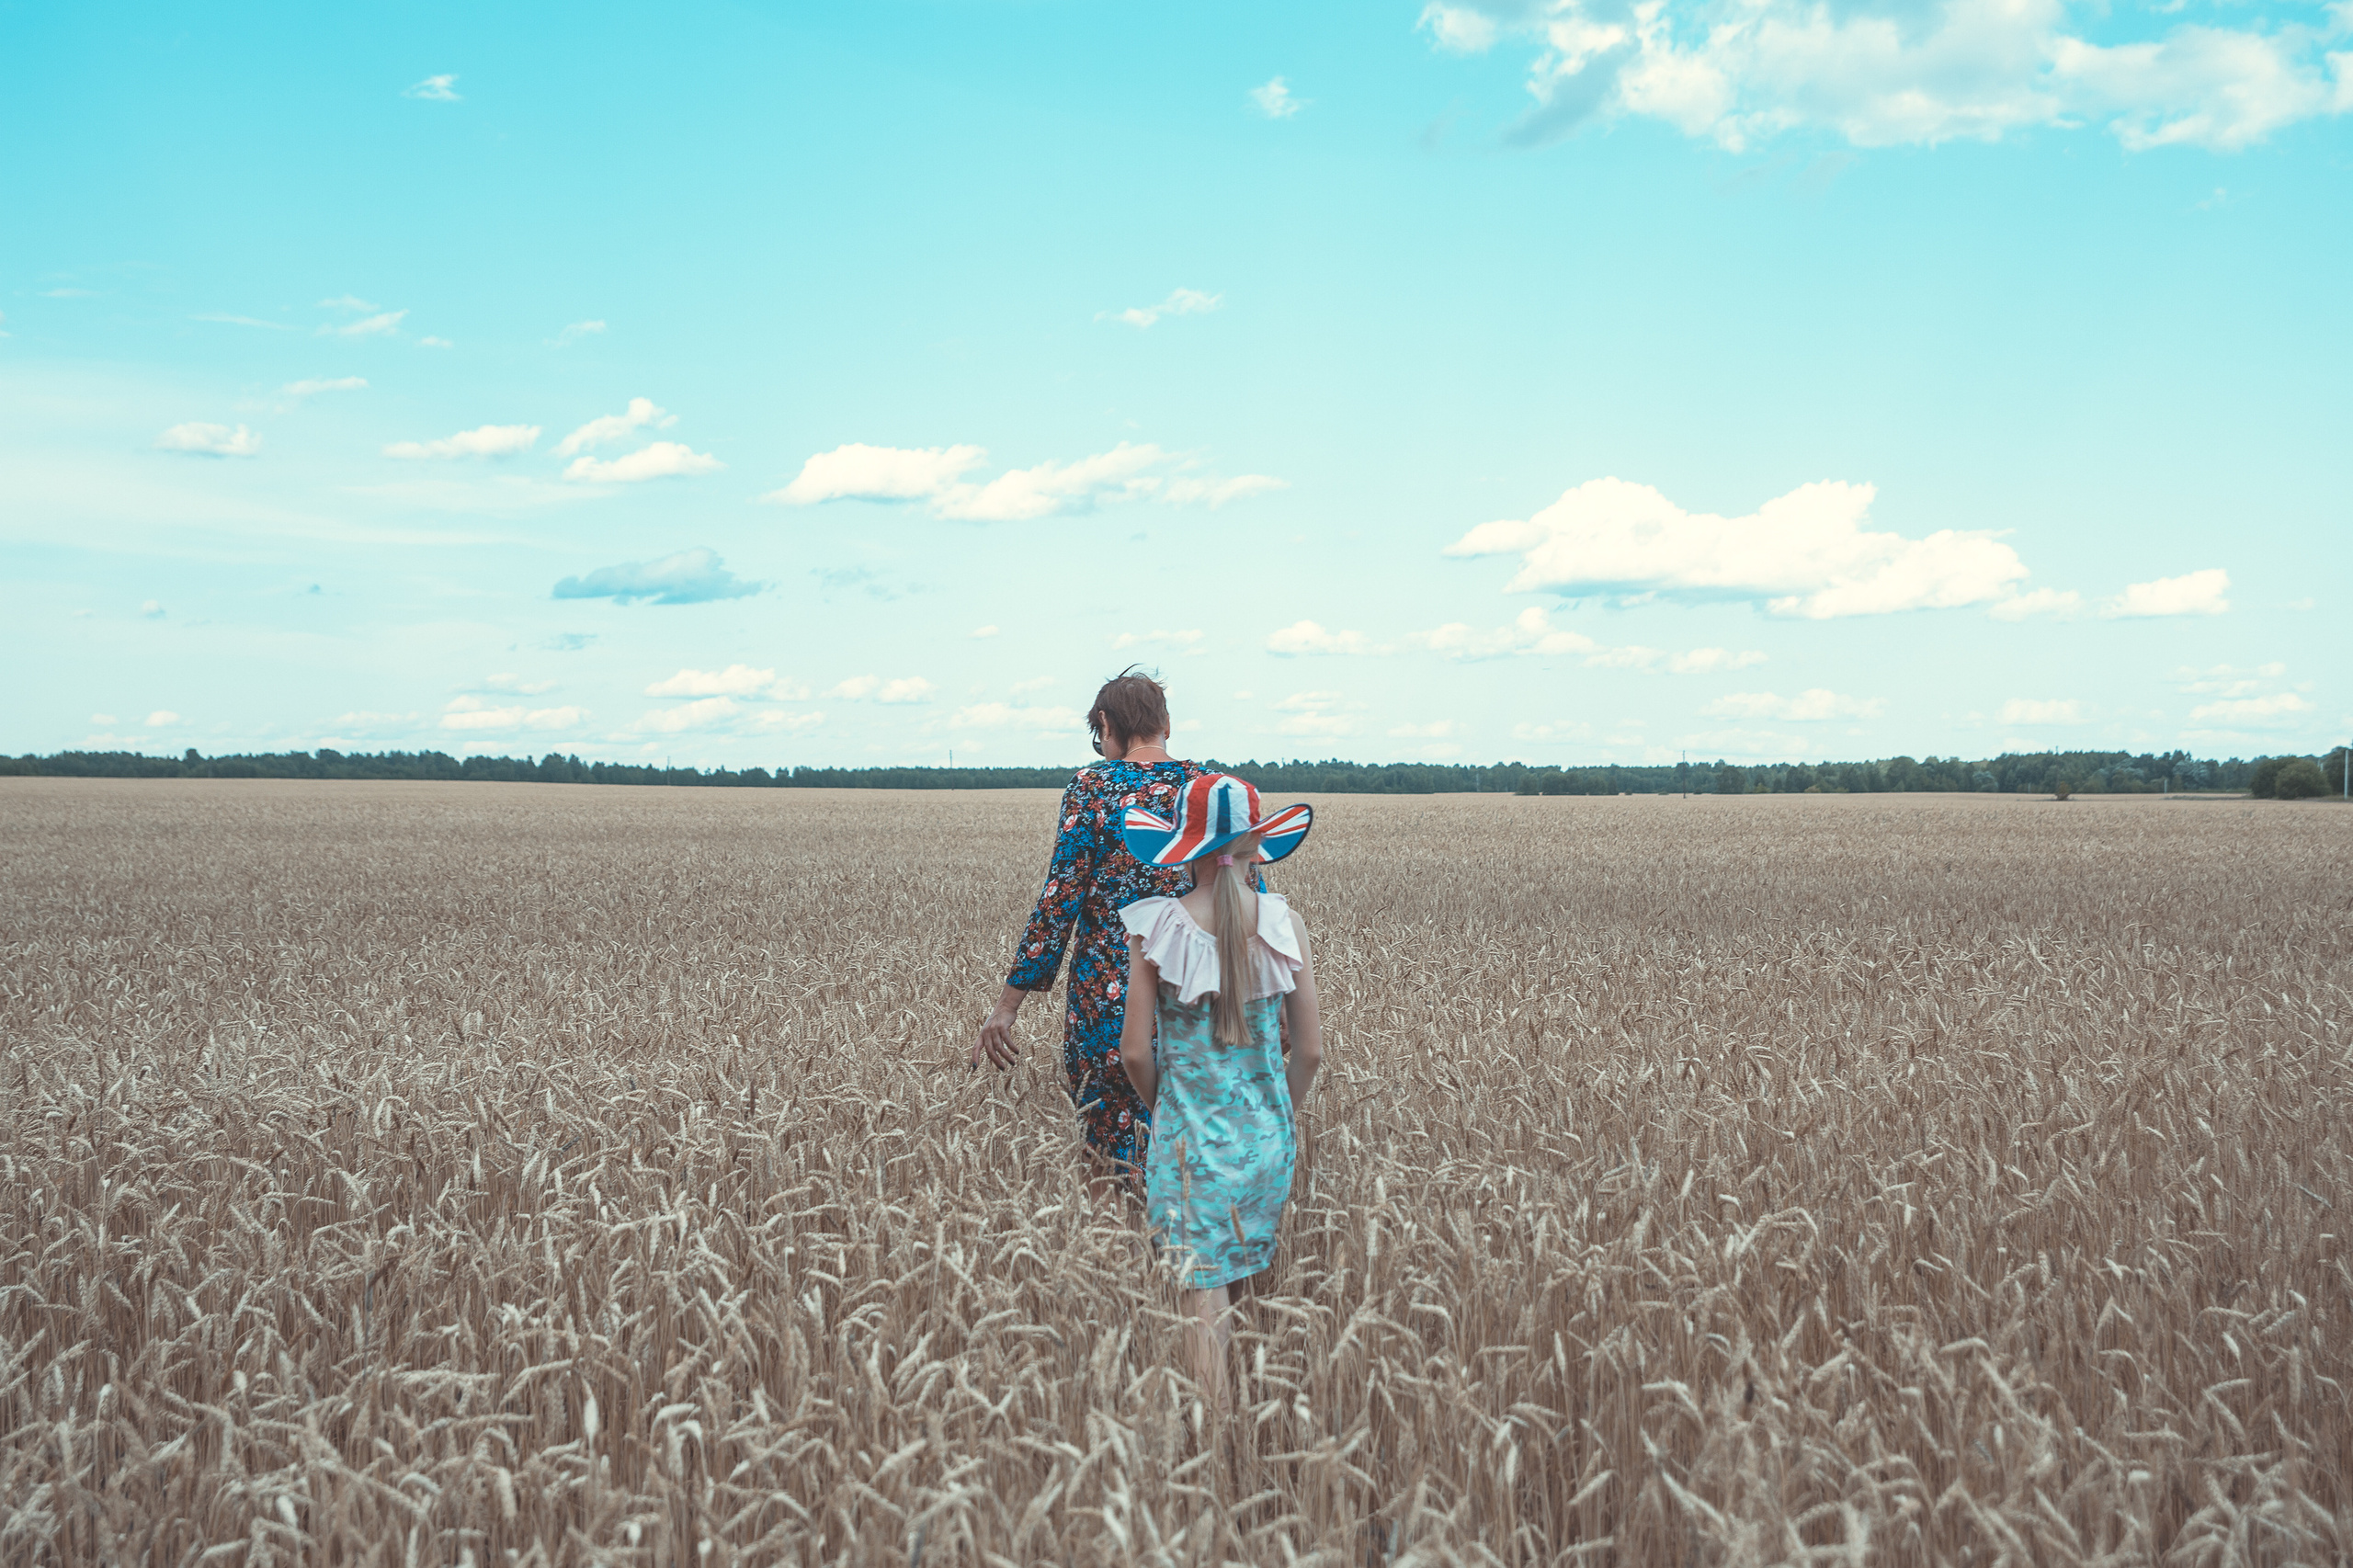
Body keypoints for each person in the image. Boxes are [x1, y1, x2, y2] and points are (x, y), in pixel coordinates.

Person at [972, 669, 1233, 1184]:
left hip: (1110, 1004)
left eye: (1099, 736)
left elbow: (1059, 901)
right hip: (1205, 998)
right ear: (1166, 725)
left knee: (1110, 1168)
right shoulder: (1210, 790)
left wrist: (1007, 1007)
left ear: (1107, 725)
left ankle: (1116, 1234)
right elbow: (1245, 893)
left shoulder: (1093, 787)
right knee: (1196, 1160)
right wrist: (1273, 1004)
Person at [1115, 774, 1322, 1412]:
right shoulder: (1285, 925)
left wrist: (1167, 1108)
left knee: (1204, 1308)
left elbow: (1134, 1052)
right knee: (1252, 1294)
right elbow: (1310, 1053)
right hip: (1266, 1148)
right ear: (1256, 845)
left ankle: (1218, 1450)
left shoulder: (1157, 928)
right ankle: (1262, 1431)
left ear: (1187, 847)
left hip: (1190, 1149)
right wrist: (1274, 1117)